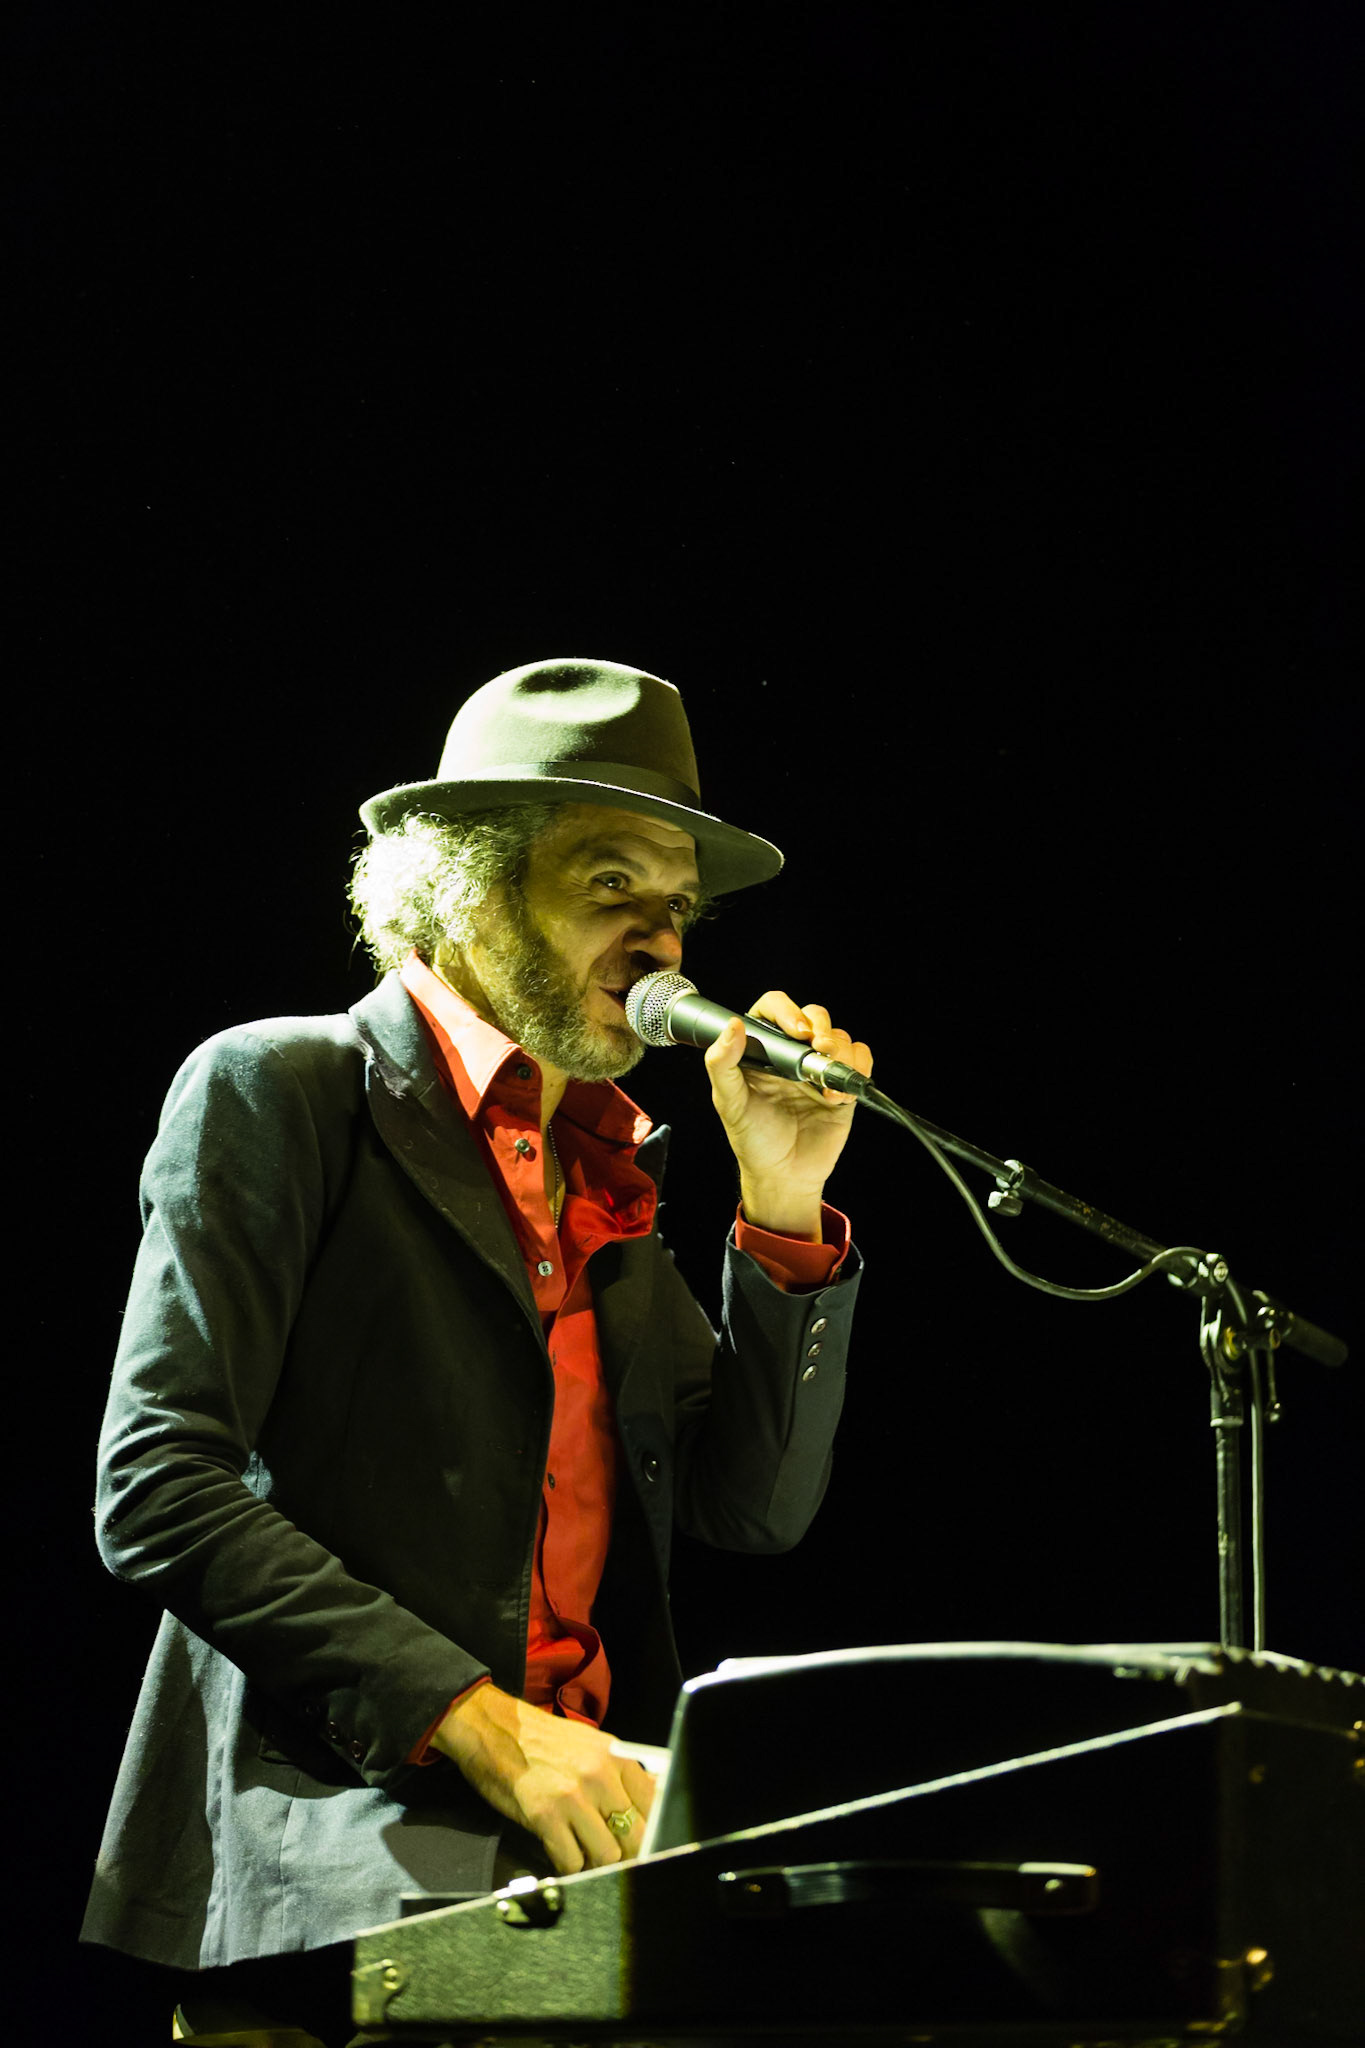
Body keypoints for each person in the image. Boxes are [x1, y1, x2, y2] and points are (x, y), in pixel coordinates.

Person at [81, 657, 871, 2045]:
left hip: (561, 1848)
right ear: (459, 887)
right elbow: (158, 1485)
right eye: (608, 885)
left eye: (676, 909)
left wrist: (782, 1200)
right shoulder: (287, 1086)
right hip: (341, 1840)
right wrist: (488, 1727)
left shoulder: (610, 1177)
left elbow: (752, 1508)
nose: (661, 944)